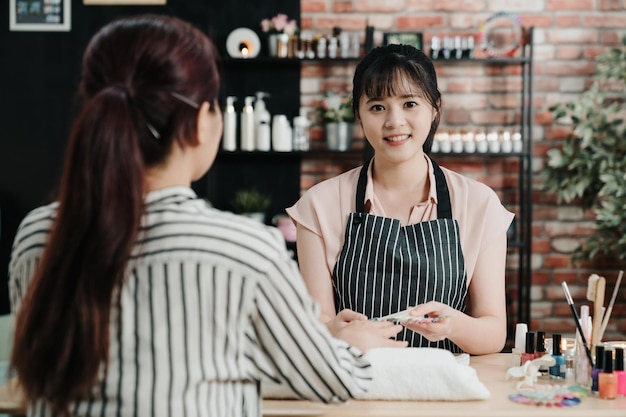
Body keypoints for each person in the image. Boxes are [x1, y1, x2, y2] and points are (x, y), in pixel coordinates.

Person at [8, 14, 372, 417]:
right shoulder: (246, 250)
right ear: (201, 122)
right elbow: (334, 381)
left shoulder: (38, 235)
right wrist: (350, 341)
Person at [286, 44, 514, 355]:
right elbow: (316, 326)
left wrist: (452, 325)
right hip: (355, 389)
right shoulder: (319, 205)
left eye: (409, 103)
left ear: (435, 108)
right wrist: (337, 334)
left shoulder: (479, 204)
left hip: (446, 391)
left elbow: (493, 331)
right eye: (377, 107)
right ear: (359, 115)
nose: (394, 121)